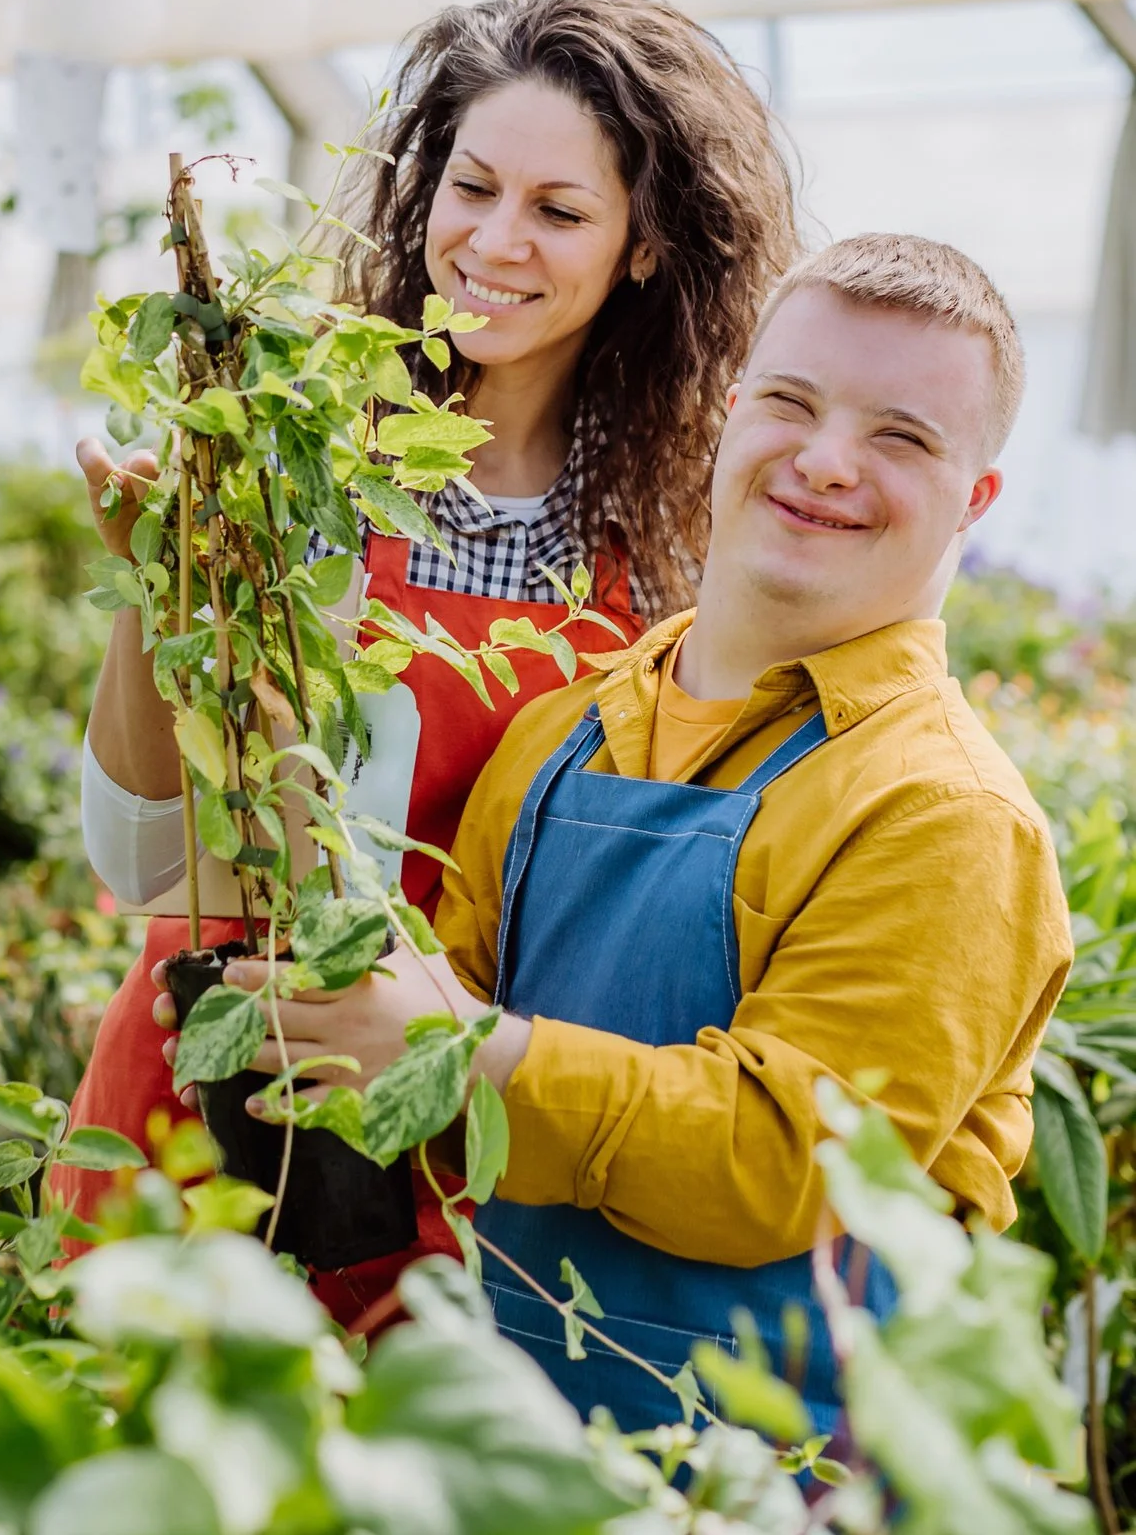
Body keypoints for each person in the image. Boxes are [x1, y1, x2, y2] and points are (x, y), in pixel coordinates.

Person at [180, 233, 1073, 1431]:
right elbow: (442, 1090)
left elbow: (784, 1160)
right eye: (790, 404)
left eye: (899, 437)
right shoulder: (563, 732)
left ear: (974, 500)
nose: (823, 461)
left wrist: (457, 1054)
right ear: (729, 415)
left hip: (793, 1477)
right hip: (524, 1434)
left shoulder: (944, 814)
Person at [56, 0, 799, 1322]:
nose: (495, 243)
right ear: (421, 192)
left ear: (642, 248)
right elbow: (138, 858)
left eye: (560, 211)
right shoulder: (297, 447)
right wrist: (153, 581)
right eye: (473, 187)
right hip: (216, 1089)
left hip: (456, 1132)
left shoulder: (672, 547)